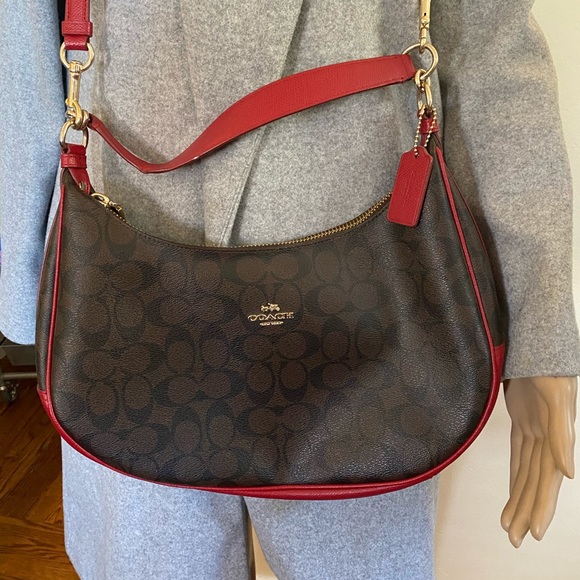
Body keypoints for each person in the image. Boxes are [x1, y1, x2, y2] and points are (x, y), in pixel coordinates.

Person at [0, 1, 578, 578]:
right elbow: (19, 38)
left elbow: (488, 40)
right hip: (127, 282)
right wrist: (24, 276)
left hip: (367, 316)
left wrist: (538, 324)